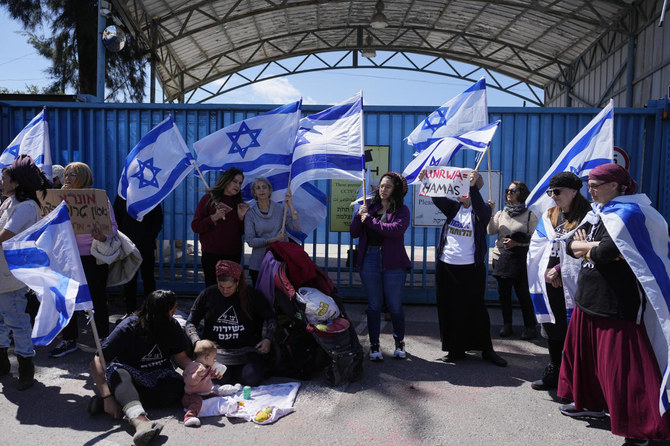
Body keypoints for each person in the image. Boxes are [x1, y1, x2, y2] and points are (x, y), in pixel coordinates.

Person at [558, 164, 670, 445]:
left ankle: (637, 429)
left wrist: (590, 247)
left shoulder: (629, 214)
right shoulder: (599, 213)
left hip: (617, 303)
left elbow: (608, 252)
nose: (590, 189)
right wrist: (588, 248)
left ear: (617, 185)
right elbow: (571, 244)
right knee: (587, 361)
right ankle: (591, 403)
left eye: (596, 185)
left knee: (624, 372)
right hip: (589, 297)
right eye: (590, 185)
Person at [90, 290, 198, 445]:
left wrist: (198, 369)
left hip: (158, 373)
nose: (175, 312)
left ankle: (121, 401)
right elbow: (96, 360)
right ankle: (141, 422)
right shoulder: (129, 326)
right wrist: (106, 395)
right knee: (121, 377)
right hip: (128, 372)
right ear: (159, 313)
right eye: (172, 310)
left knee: (177, 389)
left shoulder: (172, 326)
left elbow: (181, 358)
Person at [427, 169, 507, 367]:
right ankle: (456, 349)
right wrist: (428, 179)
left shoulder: (484, 209)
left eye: (462, 187)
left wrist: (472, 187)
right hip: (447, 266)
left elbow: (481, 210)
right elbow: (437, 197)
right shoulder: (453, 208)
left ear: (471, 189)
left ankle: (486, 350)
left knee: (477, 309)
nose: (458, 191)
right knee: (449, 307)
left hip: (471, 268)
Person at [527, 172, 591, 391]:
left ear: (574, 191)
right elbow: (538, 246)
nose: (552, 196)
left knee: (573, 332)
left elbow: (587, 250)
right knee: (552, 327)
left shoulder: (589, 216)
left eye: (557, 191)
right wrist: (546, 271)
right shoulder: (550, 215)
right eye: (550, 191)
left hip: (576, 283)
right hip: (550, 282)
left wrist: (560, 270)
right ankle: (554, 370)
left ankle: (574, 379)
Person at [49, 162, 118, 358]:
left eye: (73, 174)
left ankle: (104, 339)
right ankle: (69, 340)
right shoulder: (58, 198)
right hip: (67, 257)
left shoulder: (98, 199)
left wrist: (102, 236)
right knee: (67, 298)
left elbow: (112, 227)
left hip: (92, 257)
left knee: (96, 298)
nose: (67, 178)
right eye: (67, 174)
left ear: (84, 177)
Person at [0, 155, 50, 390]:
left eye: (5, 178)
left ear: (17, 183)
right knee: (0, 322)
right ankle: (2, 364)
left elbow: (4, 236)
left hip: (11, 276)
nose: (1, 182)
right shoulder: (9, 203)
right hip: (1, 273)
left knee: (18, 322)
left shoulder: (27, 207)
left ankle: (26, 369)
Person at [185, 260, 276, 386]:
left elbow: (271, 318)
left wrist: (268, 340)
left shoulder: (252, 295)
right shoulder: (208, 294)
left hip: (246, 350)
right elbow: (190, 323)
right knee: (218, 378)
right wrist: (197, 341)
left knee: (251, 378)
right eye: (221, 286)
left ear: (237, 283)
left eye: (229, 287)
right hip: (217, 352)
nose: (225, 291)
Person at [350, 172, 411, 361]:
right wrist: (358, 215)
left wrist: (369, 220)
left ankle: (399, 342)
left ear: (396, 190)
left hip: (394, 262)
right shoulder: (370, 206)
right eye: (381, 186)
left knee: (394, 306)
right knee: (374, 305)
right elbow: (354, 233)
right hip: (369, 258)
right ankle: (374, 345)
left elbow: (394, 231)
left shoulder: (402, 210)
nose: (383, 190)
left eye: (388, 187)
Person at [487, 181, 538, 339]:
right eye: (507, 190)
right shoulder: (501, 213)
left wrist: (517, 242)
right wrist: (491, 213)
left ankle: (530, 327)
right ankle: (507, 325)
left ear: (521, 193)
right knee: (504, 294)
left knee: (523, 294)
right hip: (501, 258)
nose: (509, 193)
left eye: (513, 190)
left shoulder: (529, 214)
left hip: (520, 259)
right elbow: (491, 231)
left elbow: (536, 238)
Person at [191, 168, 249, 288]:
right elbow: (196, 226)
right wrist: (213, 217)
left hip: (233, 253)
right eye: (235, 181)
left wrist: (241, 218)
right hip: (211, 254)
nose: (237, 185)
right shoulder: (208, 199)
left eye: (240, 183)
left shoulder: (239, 203)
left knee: (231, 290)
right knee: (213, 290)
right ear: (226, 180)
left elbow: (243, 232)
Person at [244, 177, 300, 287]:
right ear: (254, 193)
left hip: (279, 261)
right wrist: (273, 239)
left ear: (270, 190)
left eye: (264, 187)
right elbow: (250, 241)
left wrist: (291, 206)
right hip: (259, 263)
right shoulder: (250, 214)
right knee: (261, 300)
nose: (261, 190)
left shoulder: (280, 209)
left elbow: (296, 228)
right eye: (258, 188)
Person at [113, 195, 163, 315]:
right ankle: (131, 311)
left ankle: (150, 311)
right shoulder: (122, 196)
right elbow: (115, 219)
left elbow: (158, 220)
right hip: (128, 245)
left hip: (146, 244)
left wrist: (150, 236)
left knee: (148, 278)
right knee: (129, 279)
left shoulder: (150, 194)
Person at [181, 339, 241, 428]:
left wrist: (215, 376)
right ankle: (189, 417)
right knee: (197, 402)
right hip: (192, 396)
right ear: (207, 357)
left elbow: (205, 378)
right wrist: (197, 374)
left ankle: (226, 407)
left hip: (205, 394)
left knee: (217, 397)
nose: (215, 360)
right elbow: (189, 381)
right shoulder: (193, 366)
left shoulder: (207, 366)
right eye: (213, 358)